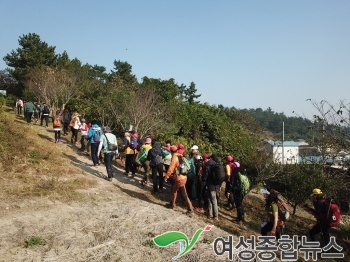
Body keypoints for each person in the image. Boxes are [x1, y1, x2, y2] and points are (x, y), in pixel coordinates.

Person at [164, 145, 194, 216]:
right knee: (174, 190)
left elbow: (171, 169)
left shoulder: (174, 158)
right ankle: (171, 204)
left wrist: (166, 177)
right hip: (184, 177)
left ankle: (190, 209)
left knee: (184, 194)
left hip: (179, 178)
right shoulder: (180, 156)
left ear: (170, 151)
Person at [202, 154, 221, 221]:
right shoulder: (216, 164)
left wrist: (203, 180)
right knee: (212, 199)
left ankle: (215, 216)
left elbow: (205, 177)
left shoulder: (207, 165)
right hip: (217, 185)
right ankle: (210, 213)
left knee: (213, 200)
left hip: (211, 185)